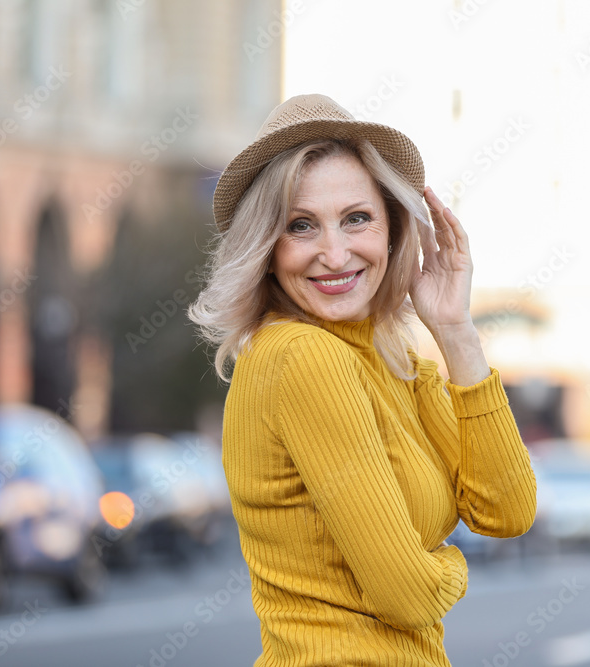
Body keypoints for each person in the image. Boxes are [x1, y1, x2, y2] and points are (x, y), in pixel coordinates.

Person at [188, 93, 537, 666]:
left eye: (357, 218)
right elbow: (410, 595)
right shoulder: (301, 356)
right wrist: (450, 562)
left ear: (394, 228)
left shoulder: (397, 363)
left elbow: (508, 511)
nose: (334, 252)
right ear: (267, 250)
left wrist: (454, 330)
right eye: (301, 226)